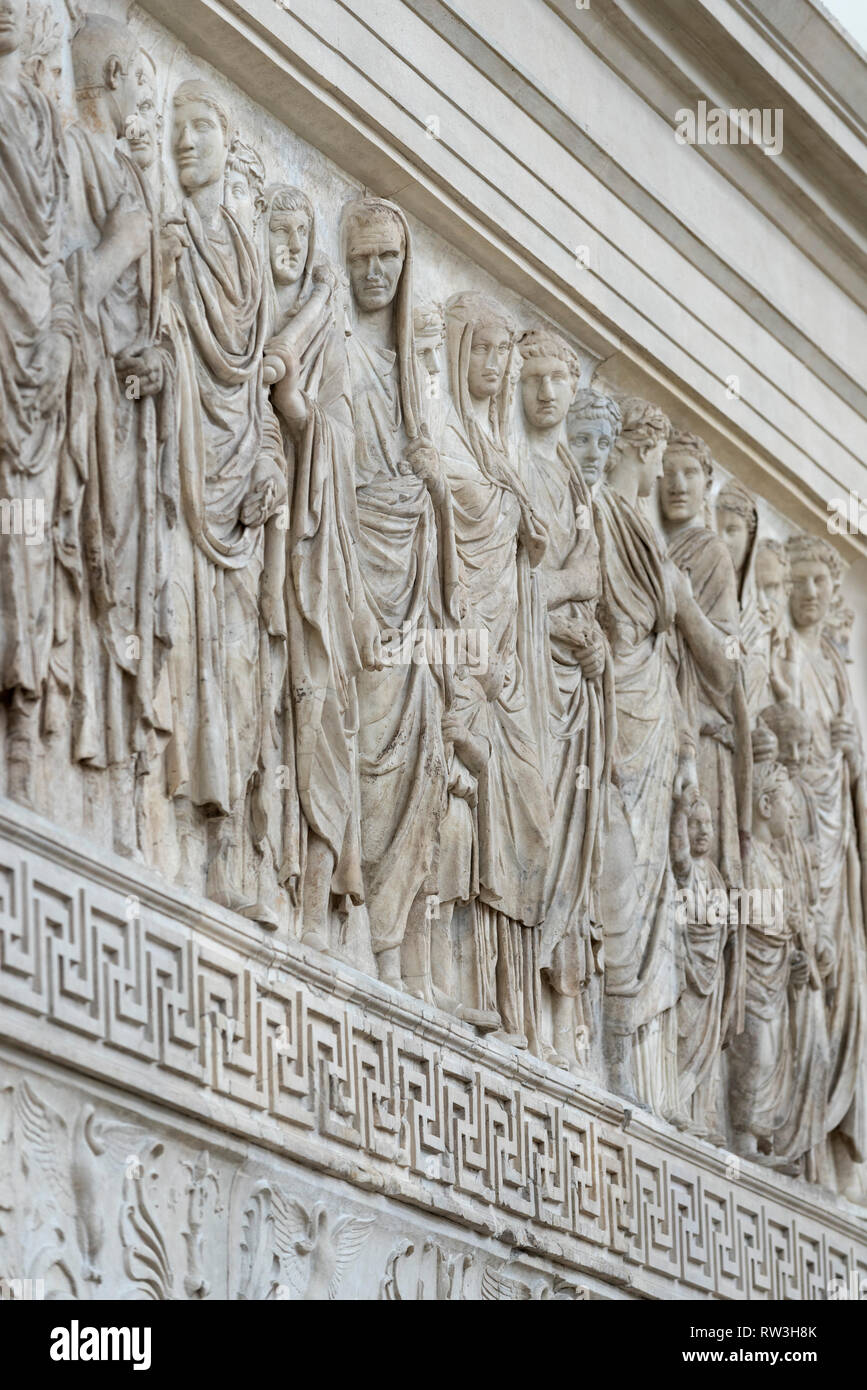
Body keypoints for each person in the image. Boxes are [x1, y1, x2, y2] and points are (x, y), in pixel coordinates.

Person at [163, 78, 286, 921]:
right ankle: (177, 835)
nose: (185, 141)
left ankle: (238, 843)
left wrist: (272, 465)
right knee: (186, 652)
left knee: (244, 670)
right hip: (179, 478)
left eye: (201, 126)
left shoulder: (248, 259)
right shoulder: (169, 238)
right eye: (177, 127)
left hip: (242, 495)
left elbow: (258, 399)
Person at [342, 197, 459, 992]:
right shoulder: (339, 358)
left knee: (417, 763)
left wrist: (432, 489)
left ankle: (393, 944)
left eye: (389, 258)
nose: (377, 272)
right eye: (362, 258)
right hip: (354, 583)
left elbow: (446, 510)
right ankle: (348, 916)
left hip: (414, 602)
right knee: (356, 750)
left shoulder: (421, 395)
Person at [262, 183, 379, 952]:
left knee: (327, 718)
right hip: (272, 547)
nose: (292, 246)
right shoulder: (255, 310)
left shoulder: (329, 338)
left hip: (327, 565)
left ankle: (316, 889)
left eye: (303, 234)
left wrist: (297, 402)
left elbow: (324, 424)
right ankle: (275, 874)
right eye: (281, 230)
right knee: (284, 715)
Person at [438, 293, 551, 1055]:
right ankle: (451, 973)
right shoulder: (442, 432)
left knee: (523, 815)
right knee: (456, 802)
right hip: (455, 647)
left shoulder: (493, 445)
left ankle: (513, 1002)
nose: (493, 368)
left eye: (501, 357)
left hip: (509, 664)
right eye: (482, 350)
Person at [518, 330, 613, 1072]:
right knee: (528, 830)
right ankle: (521, 996)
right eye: (535, 377)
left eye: (559, 380)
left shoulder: (577, 487)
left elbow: (588, 581)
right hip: (526, 684)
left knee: (569, 850)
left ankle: (562, 1016)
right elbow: (540, 582)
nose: (546, 392)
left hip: (573, 687)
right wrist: (557, 594)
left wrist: (590, 641)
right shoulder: (511, 462)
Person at [0, 0, 75, 805]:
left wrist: (57, 336)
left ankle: (24, 711)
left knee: (23, 527)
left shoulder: (46, 129)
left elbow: (63, 263)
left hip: (31, 362)